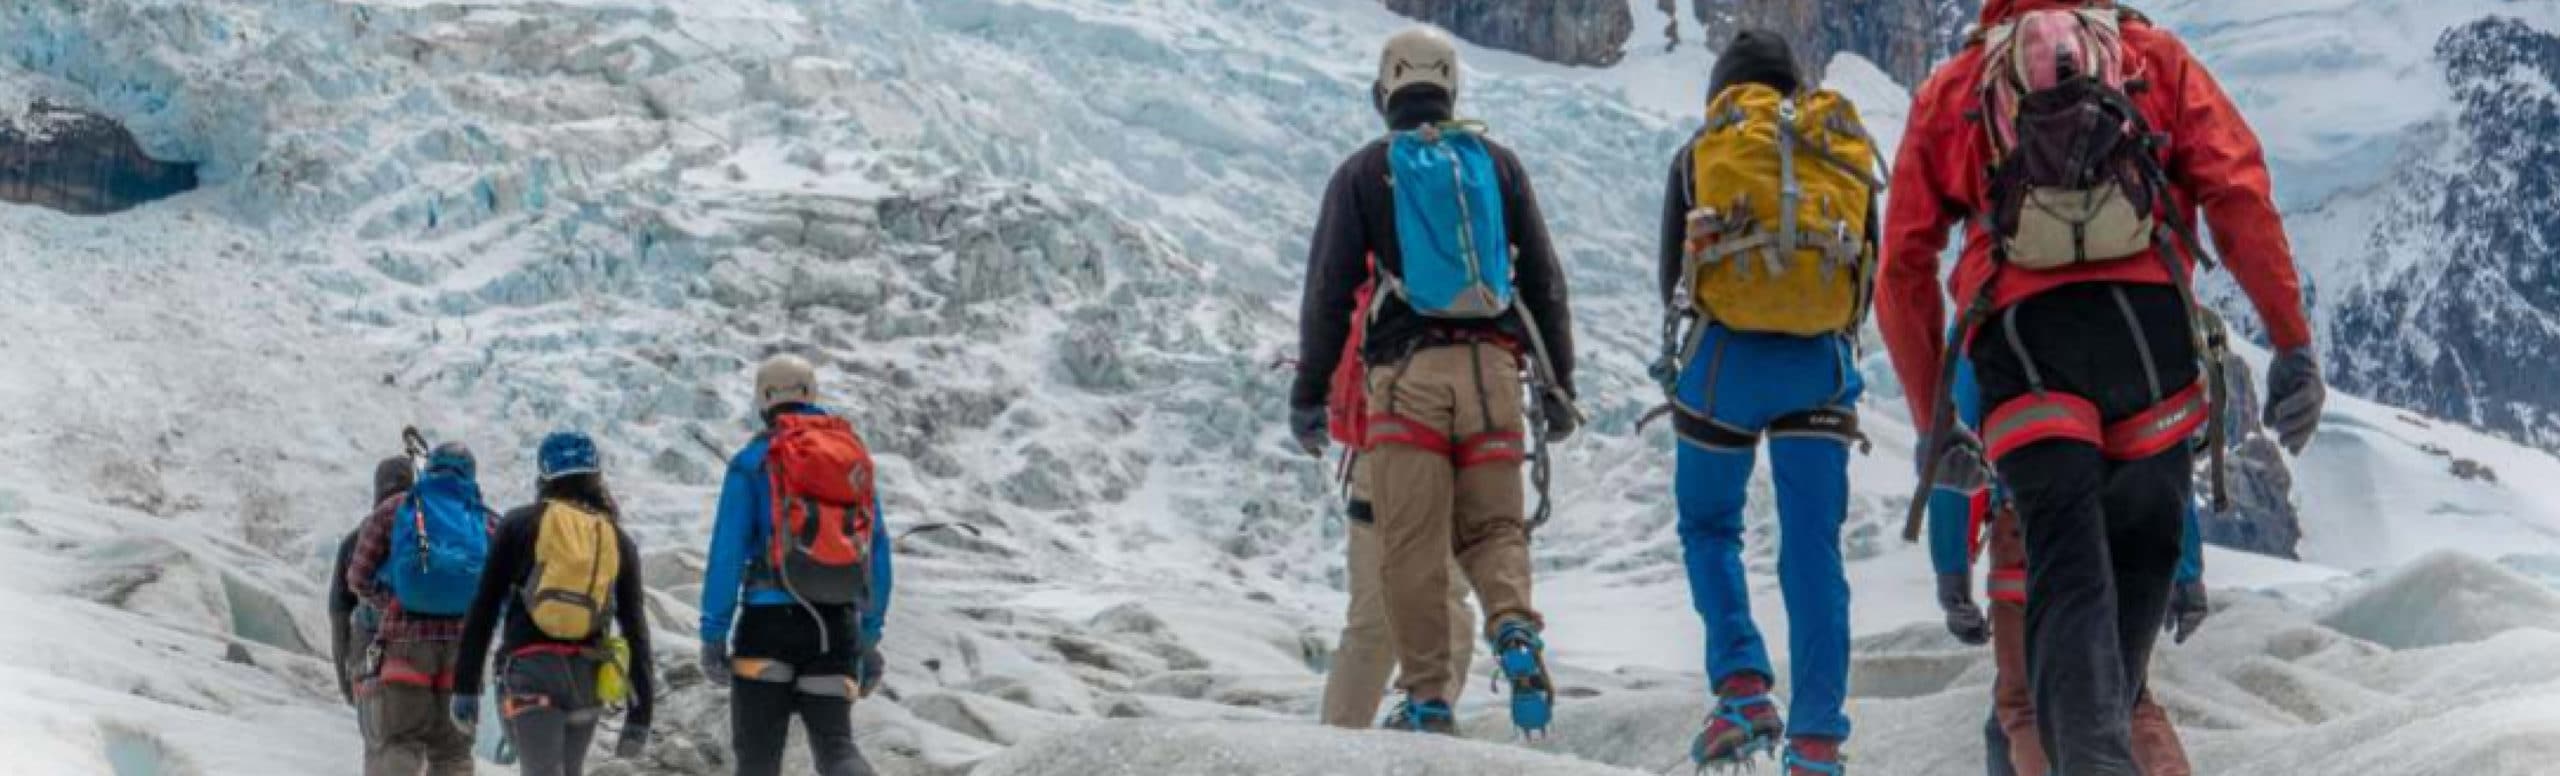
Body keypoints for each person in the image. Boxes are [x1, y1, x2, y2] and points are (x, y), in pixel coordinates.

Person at [1878, 2, 2325, 773]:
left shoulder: (1959, 86)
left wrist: (1933, 417)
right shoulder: (2153, 58)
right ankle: (2102, 745)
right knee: (2143, 551)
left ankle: (2088, 757)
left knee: (2066, 565)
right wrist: (2291, 341)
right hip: (2146, 337)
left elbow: (1903, 263)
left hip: (2024, 345)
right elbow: (2237, 191)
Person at [1288, 25, 1577, 735]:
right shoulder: (1496, 165)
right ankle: (1513, 627)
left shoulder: (1364, 171)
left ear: (1385, 89)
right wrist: (1558, 387)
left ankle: (1426, 702)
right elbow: (1543, 279)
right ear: (1451, 90)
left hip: (1409, 380)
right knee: (1494, 526)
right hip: (1493, 375)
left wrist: (1308, 394)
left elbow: (1328, 293)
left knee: (1411, 545)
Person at [1661, 30, 1880, 776]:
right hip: (1817, 366)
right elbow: (1866, 280)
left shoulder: (1705, 151)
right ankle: (1817, 740)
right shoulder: (1837, 152)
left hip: (1727, 365)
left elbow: (1673, 280)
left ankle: (1744, 690)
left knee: (1709, 525)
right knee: (1813, 547)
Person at [1928, 357, 2205, 776]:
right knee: (2124, 697)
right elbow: (2161, 443)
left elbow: (1953, 434)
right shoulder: (2127, 301)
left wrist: (1952, 565)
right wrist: (2185, 568)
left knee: (2027, 709)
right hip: (2123, 531)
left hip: (2029, 534)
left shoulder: (1990, 307)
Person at [700, 355, 895, 776]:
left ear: (763, 399)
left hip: (767, 626)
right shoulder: (850, 460)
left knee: (757, 762)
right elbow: (876, 551)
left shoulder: (753, 461)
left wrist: (713, 634)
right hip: (833, 626)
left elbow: (726, 554)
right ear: (811, 393)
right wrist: (868, 634)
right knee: (837, 749)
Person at [450, 431, 657, 776]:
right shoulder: (616, 539)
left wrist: (466, 686)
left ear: (543, 476)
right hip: (587, 678)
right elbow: (636, 629)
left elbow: (484, 608)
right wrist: (640, 715)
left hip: (530, 672)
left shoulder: (519, 524)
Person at [348, 443, 498, 776]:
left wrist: (394, 604)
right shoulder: (486, 521)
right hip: (463, 657)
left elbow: (358, 576)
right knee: (453, 753)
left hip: (405, 647)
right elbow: (502, 593)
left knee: (399, 741)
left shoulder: (397, 508)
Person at [1320, 458, 1477, 729]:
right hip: (1459, 460)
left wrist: (1308, 417)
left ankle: (1341, 737)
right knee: (1446, 606)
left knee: (1372, 623)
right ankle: (1430, 714)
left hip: (1380, 453)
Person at [337, 457, 417, 707]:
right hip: (435, 635)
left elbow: (338, 613)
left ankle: (364, 687)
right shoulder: (433, 526)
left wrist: (346, 681)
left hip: (378, 634)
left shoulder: (357, 538)